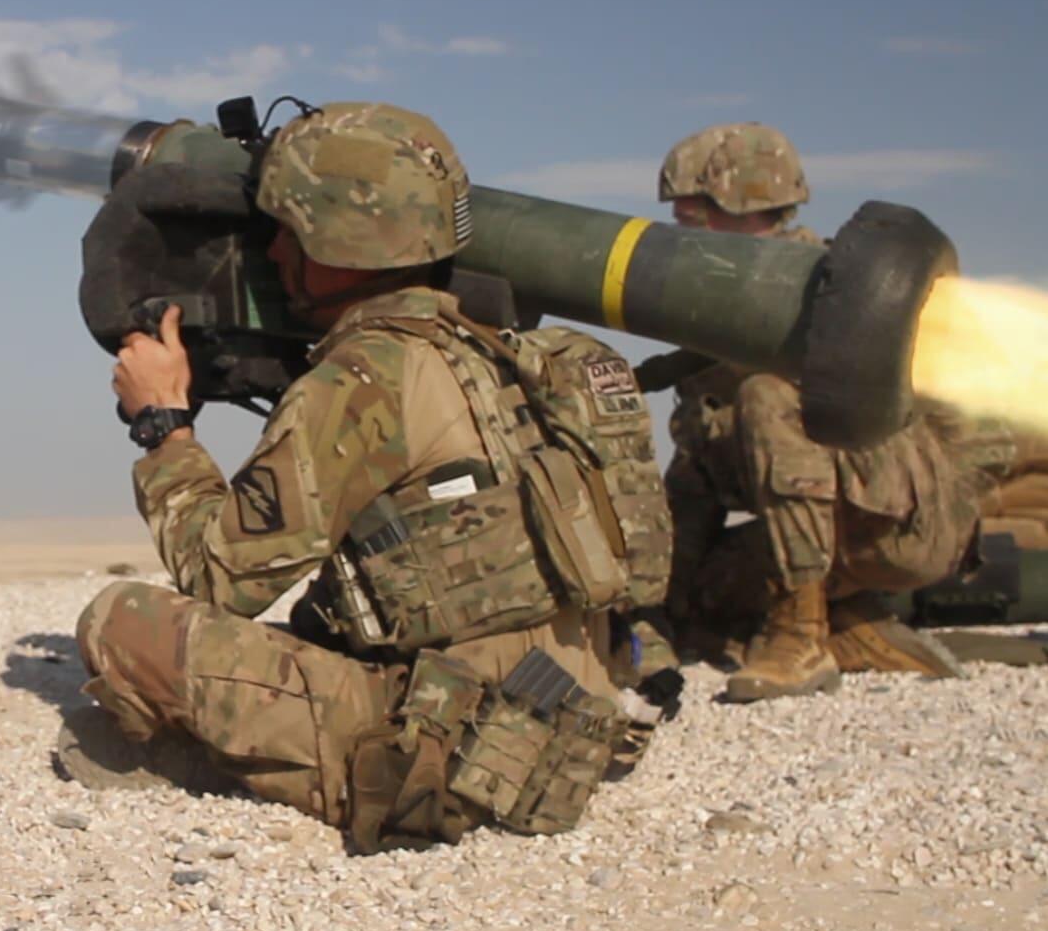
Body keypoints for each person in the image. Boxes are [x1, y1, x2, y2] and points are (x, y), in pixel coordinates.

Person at [69, 102, 671, 851]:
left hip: (455, 755)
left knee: (122, 622)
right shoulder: (527, 356)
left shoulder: (364, 379)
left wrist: (164, 426)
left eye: (288, 232)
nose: (275, 252)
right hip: (570, 719)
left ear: (336, 247)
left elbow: (217, 575)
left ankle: (224, 763)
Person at [650, 123, 1010, 700]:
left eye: (689, 221)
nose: (679, 238)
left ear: (737, 205)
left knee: (768, 396)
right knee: (700, 600)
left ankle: (801, 636)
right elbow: (693, 484)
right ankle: (852, 630)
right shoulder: (717, 319)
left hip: (904, 523)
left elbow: (977, 429)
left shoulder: (841, 292)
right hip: (823, 536)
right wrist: (660, 611)